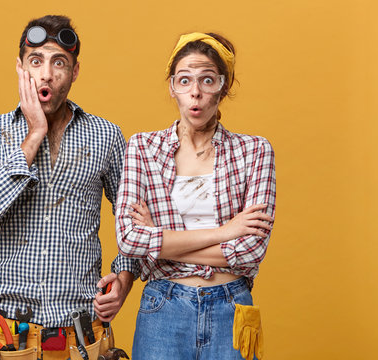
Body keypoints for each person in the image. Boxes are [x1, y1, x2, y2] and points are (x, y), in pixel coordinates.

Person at [0, 15, 138, 360]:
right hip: (11, 336)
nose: (46, 74)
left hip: (82, 337)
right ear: (20, 68)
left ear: (75, 71)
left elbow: (135, 221)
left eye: (58, 62)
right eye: (36, 61)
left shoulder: (106, 136)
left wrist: (124, 278)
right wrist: (34, 135)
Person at [115, 32, 276, 360]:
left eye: (207, 80)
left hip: (231, 306)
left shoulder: (255, 152)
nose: (196, 93)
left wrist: (159, 247)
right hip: (164, 307)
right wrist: (225, 231)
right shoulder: (143, 148)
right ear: (172, 86)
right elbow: (130, 239)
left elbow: (250, 253)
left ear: (224, 86)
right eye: (184, 80)